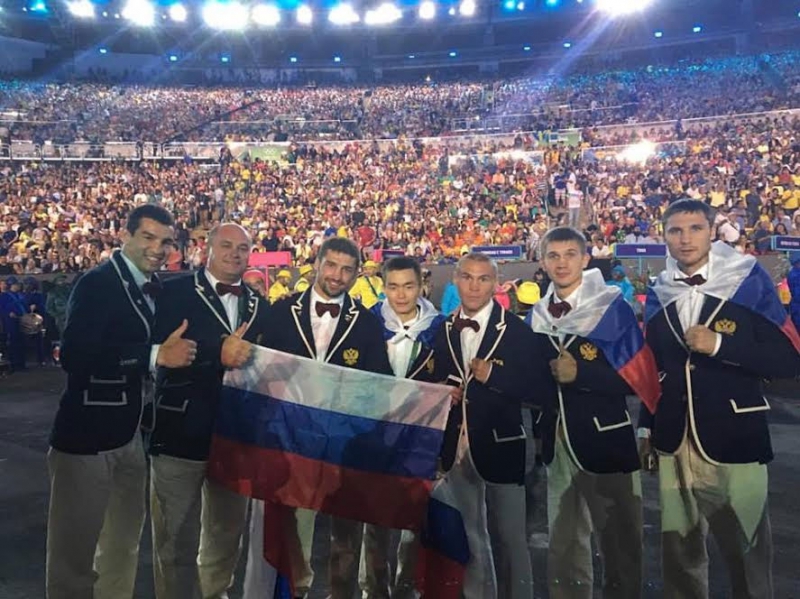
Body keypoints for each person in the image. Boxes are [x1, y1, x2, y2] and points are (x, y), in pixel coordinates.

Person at [639, 199, 800, 599]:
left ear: (712, 231)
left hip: (734, 434)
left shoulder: (747, 280)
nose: (685, 238)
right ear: (664, 237)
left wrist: (719, 345)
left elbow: (787, 359)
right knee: (680, 556)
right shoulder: (659, 290)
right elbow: (656, 368)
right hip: (674, 441)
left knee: (747, 554)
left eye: (695, 228)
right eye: (675, 230)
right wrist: (646, 427)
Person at [46, 205, 197, 599]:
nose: (158, 248)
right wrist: (154, 355)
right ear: (125, 235)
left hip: (132, 437)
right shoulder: (97, 282)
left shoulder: (153, 286)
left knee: (122, 547)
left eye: (165, 241)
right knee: (73, 560)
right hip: (86, 440)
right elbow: (75, 356)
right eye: (148, 237)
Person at [245, 237, 391, 599]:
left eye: (347, 270)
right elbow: (259, 373)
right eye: (331, 265)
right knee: (294, 529)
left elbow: (380, 383)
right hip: (291, 440)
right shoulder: (281, 312)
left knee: (345, 535)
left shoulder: (367, 324)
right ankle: (297, 591)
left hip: (343, 444)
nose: (337, 276)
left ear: (356, 275)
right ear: (317, 264)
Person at [528, 227, 659, 599]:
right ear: (542, 263)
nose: (562, 263)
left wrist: (581, 374)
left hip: (606, 440)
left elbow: (638, 377)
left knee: (619, 544)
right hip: (556, 443)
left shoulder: (611, 308)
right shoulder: (538, 314)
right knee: (564, 545)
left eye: (570, 254)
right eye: (553, 255)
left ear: (586, 259)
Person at [148, 223, 271, 599]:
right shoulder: (173, 291)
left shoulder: (258, 304)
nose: (235, 253)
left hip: (235, 436)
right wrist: (215, 352)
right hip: (179, 431)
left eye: (243, 248)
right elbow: (156, 349)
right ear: (208, 249)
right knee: (173, 539)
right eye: (227, 245)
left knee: (226, 536)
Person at [432, 252, 536, 599]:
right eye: (467, 277)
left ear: (495, 284)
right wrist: (441, 391)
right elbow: (435, 378)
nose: (474, 286)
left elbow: (537, 390)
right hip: (456, 446)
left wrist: (493, 375)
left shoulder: (517, 330)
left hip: (501, 445)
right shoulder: (443, 328)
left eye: (483, 279)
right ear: (455, 281)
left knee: (511, 539)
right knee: (469, 535)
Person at [360, 257, 446, 599]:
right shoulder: (367, 323)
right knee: (374, 519)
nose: (400, 295)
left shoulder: (440, 328)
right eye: (393, 287)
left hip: (421, 438)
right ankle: (374, 588)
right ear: (383, 287)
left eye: (408, 286)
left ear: (422, 285)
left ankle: (408, 585)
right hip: (377, 435)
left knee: (416, 517)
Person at [0, 276, 26, 372]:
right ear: (11, 285)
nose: (18, 286)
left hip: (21, 320)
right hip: (10, 323)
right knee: (13, 343)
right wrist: (8, 313)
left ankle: (21, 364)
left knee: (21, 342)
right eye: (16, 284)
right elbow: (1, 308)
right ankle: (14, 364)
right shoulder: (4, 296)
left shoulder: (20, 295)